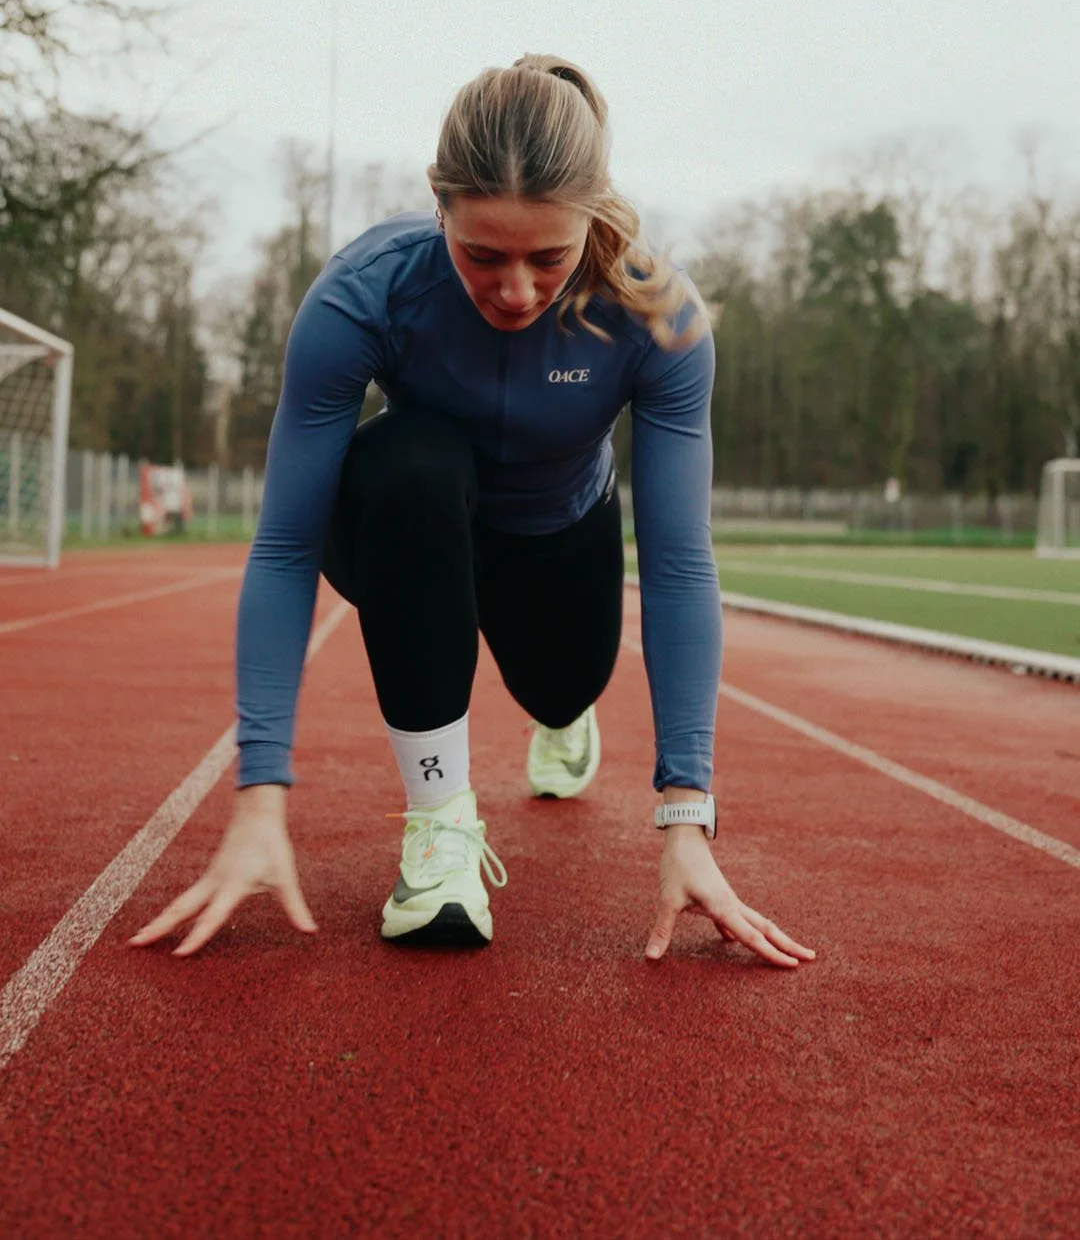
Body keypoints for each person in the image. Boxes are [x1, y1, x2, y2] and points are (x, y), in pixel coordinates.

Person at [130, 55, 815, 970]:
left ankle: (562, 719)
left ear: (593, 218)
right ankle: (440, 828)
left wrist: (686, 818)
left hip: (557, 538)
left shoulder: (660, 316)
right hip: (417, 530)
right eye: (482, 255)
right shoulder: (364, 292)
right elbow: (288, 544)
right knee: (412, 459)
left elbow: (681, 563)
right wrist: (260, 797)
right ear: (439, 207)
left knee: (560, 689)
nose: (517, 290)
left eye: (550, 258)